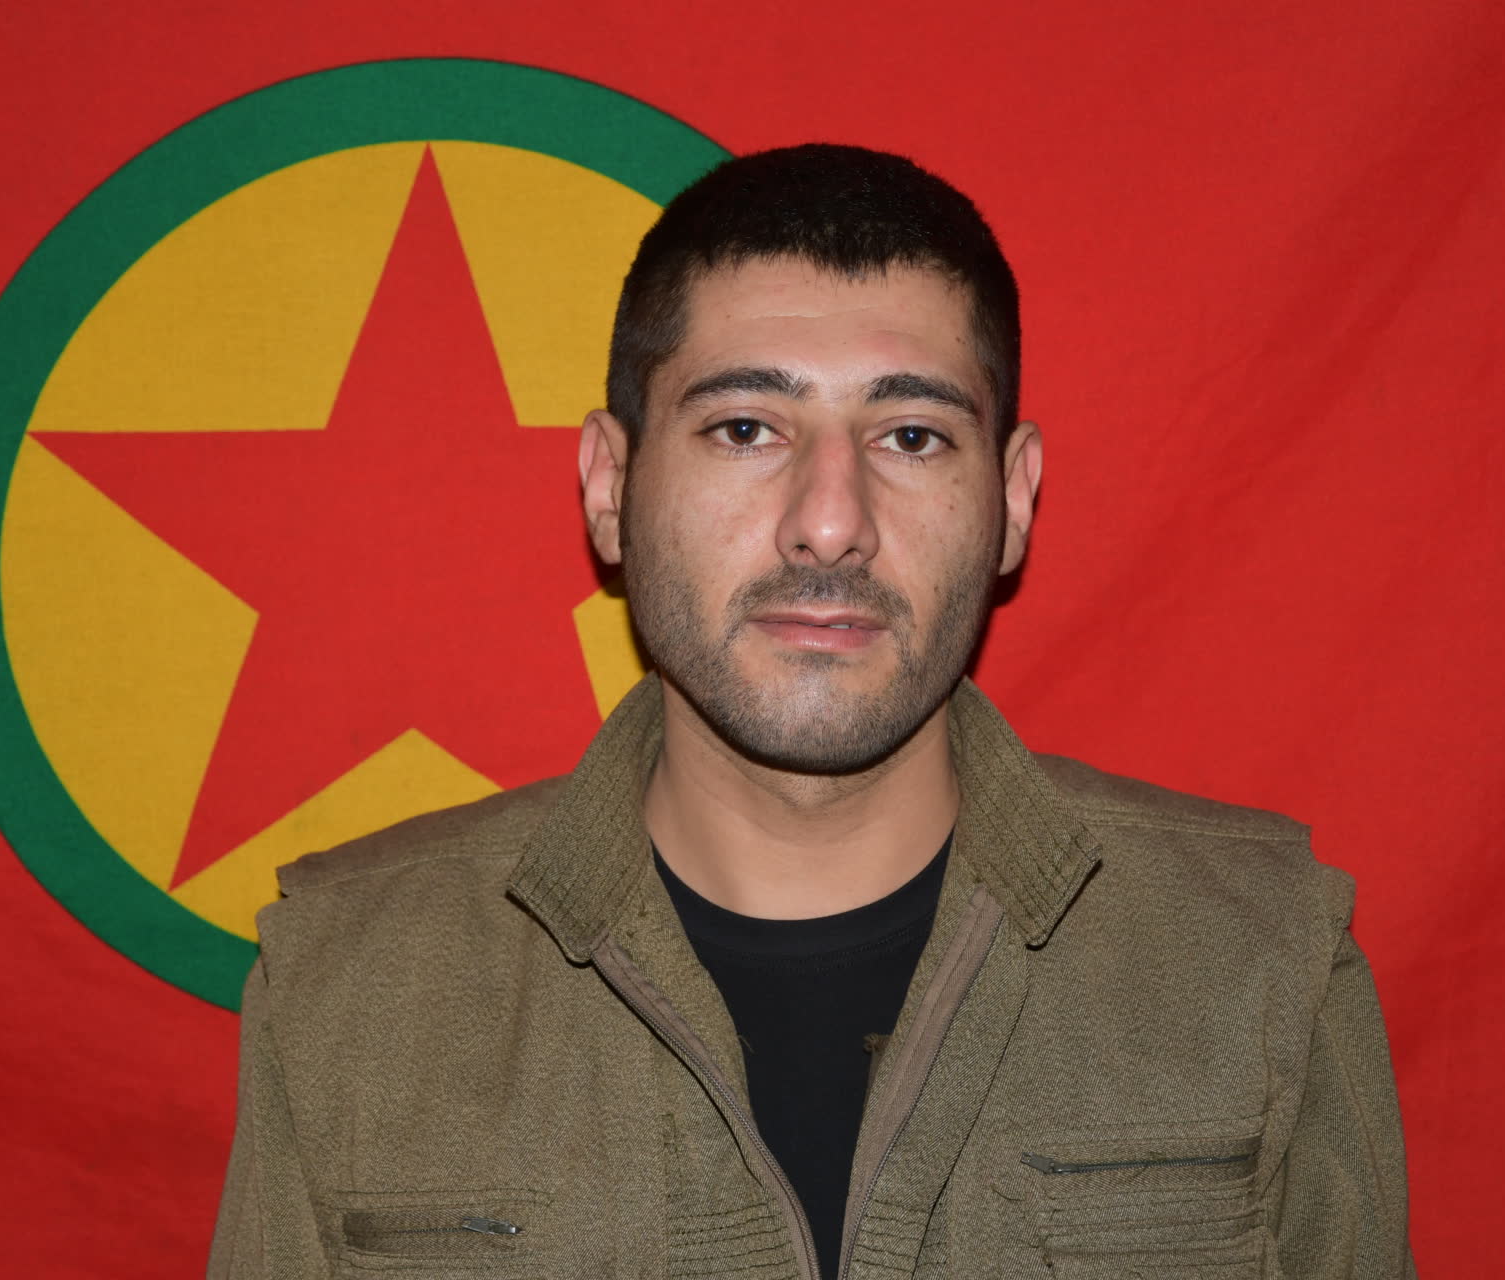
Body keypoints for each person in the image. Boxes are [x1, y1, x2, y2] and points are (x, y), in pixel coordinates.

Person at [209, 143, 1413, 1279]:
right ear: (611, 486)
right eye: (745, 428)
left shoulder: (1261, 956)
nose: (830, 522)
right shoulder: (351, 987)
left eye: (911, 435)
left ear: (1012, 499)